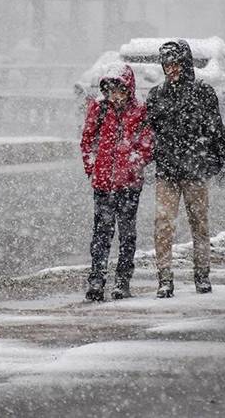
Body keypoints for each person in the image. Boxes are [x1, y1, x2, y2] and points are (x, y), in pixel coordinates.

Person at [145, 40, 225, 298]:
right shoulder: (156, 95)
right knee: (163, 224)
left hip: (194, 171)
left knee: (199, 224)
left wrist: (211, 164)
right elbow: (149, 132)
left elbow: (217, 132)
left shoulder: (203, 93)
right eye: (167, 65)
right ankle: (165, 278)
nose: (171, 69)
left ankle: (202, 275)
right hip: (167, 171)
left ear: (185, 63)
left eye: (175, 63)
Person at [80, 63, 153, 301]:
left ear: (128, 89)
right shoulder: (100, 111)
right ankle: (97, 279)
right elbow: (87, 141)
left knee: (127, 233)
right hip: (103, 184)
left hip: (129, 186)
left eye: (120, 90)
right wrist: (93, 167)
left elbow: (146, 145)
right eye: (111, 90)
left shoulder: (140, 112)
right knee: (101, 234)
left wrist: (132, 166)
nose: (115, 96)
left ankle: (123, 280)